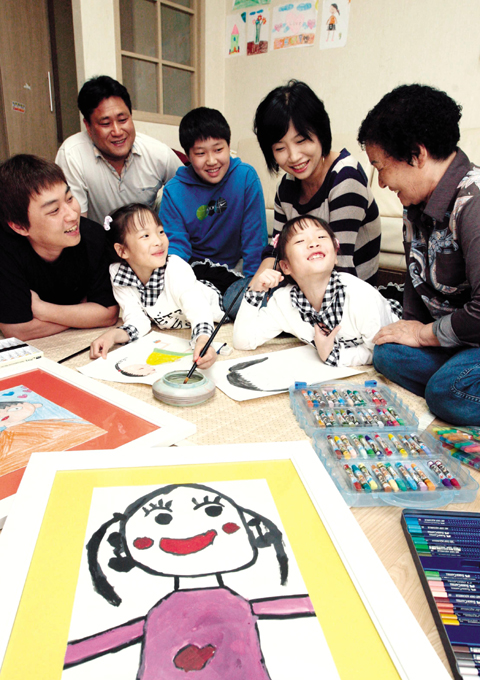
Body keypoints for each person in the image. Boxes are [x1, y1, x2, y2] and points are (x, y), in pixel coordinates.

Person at [63, 482, 315, 678]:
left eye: (213, 510)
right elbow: (107, 641)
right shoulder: (161, 614)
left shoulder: (235, 605)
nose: (186, 527)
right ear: (126, 546)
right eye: (161, 518)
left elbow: (303, 605)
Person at [357, 83, 480, 425]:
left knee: (447, 391)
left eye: (380, 166)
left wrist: (423, 335)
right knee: (387, 353)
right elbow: (416, 279)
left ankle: (453, 387)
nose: (381, 183)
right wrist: (410, 329)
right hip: (458, 341)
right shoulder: (416, 204)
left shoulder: (474, 202)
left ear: (416, 154)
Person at [253, 80, 381, 286]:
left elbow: (340, 266)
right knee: (240, 294)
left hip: (347, 291)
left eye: (301, 140)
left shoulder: (346, 177)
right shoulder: (286, 186)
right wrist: (254, 289)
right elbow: (277, 251)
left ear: (320, 132)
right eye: (280, 148)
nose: (294, 156)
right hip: (300, 284)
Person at [233, 215, 398, 366]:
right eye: (300, 241)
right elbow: (244, 341)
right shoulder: (284, 302)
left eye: (321, 237)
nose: (314, 243)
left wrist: (333, 355)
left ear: (335, 255)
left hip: (394, 318)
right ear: (285, 266)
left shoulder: (359, 297)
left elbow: (382, 352)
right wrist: (255, 291)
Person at [159, 107, 268, 318]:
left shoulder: (245, 177)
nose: (211, 161)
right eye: (200, 153)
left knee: (246, 303)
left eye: (218, 150)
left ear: (229, 146)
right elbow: (176, 251)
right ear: (188, 155)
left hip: (236, 269)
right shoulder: (174, 191)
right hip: (196, 272)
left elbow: (255, 241)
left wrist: (255, 285)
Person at [90, 204, 223, 372]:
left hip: (220, 296)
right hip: (193, 291)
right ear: (122, 251)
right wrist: (112, 336)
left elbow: (199, 312)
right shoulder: (119, 275)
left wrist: (203, 341)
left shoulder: (175, 268)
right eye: (145, 236)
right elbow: (137, 320)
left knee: (245, 301)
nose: (158, 241)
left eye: (160, 232)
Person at [0, 154, 118, 341]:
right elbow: (17, 331)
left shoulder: (93, 236)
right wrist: (83, 314)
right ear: (20, 226)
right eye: (54, 210)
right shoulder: (5, 251)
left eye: (69, 198)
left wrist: (42, 310)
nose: (72, 215)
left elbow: (108, 314)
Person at [56, 76, 182, 225]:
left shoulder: (158, 153)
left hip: (146, 234)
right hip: (98, 236)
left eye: (122, 120)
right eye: (105, 123)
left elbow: (191, 190)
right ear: (88, 126)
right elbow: (77, 223)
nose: (117, 132)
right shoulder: (72, 155)